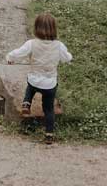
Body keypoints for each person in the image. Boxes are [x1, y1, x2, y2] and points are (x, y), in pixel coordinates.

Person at [6, 12, 73, 145]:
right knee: (48, 109)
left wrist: (9, 58)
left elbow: (18, 53)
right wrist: (70, 58)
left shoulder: (31, 43)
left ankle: (26, 103)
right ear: (54, 29)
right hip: (50, 84)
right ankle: (49, 134)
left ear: (36, 28)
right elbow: (67, 58)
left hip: (34, 80)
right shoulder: (59, 46)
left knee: (30, 87)